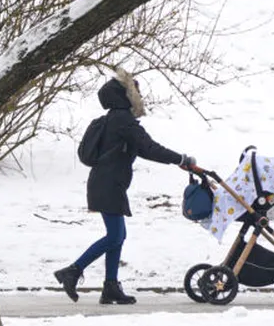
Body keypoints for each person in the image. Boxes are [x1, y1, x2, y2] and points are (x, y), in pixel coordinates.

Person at [54, 68, 195, 305]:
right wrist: (181, 159)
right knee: (115, 235)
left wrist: (177, 161)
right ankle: (73, 270)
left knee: (117, 236)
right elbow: (148, 147)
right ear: (126, 95)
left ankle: (110, 287)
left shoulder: (115, 119)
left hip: (109, 183)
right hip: (108, 184)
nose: (139, 96)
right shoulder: (122, 120)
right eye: (136, 92)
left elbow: (143, 148)